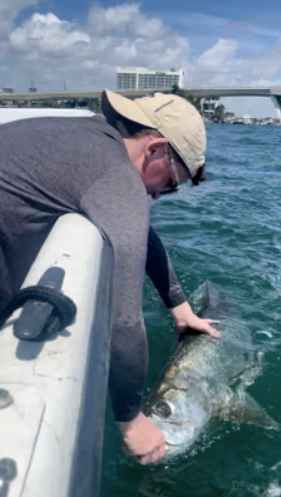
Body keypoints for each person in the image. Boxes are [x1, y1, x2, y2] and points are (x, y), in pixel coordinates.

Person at [0, 89, 219, 465]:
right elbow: (123, 319)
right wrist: (131, 419)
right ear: (155, 149)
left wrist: (180, 308)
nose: (157, 197)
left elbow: (142, 236)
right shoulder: (118, 175)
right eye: (168, 183)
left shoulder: (82, 137)